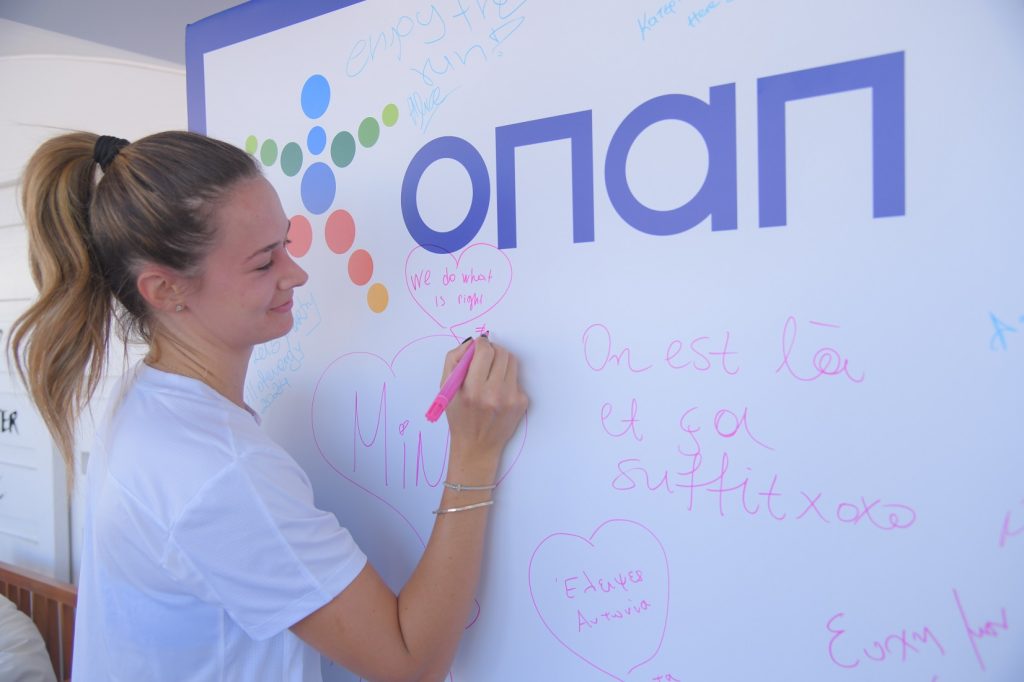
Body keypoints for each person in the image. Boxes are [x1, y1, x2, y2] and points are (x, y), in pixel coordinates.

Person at [7, 131, 528, 681]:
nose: (295, 273)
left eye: (286, 243)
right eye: (263, 263)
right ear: (165, 290)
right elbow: (410, 663)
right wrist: (474, 453)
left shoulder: (146, 397)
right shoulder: (219, 470)